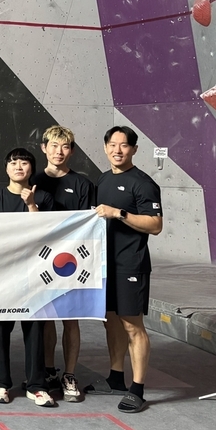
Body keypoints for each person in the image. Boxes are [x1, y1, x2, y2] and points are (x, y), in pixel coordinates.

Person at [87, 126, 162, 414]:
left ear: (134, 149)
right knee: (111, 321)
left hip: (131, 264)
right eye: (112, 145)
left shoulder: (143, 184)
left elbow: (155, 225)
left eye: (124, 145)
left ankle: (137, 389)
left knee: (132, 325)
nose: (117, 150)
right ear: (105, 147)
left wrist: (119, 213)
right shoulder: (104, 179)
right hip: (105, 264)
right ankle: (116, 378)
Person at [0, 147, 56, 408]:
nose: (19, 167)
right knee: (0, 331)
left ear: (31, 169)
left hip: (34, 276)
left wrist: (31, 205)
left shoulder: (44, 198)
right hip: (2, 277)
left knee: (35, 331)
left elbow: (48, 235)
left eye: (24, 163)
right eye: (13, 163)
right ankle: (0, 383)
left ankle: (36, 385)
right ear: (6, 168)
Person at [32, 126, 96, 402]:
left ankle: (69, 374)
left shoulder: (83, 185)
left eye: (65, 146)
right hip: (41, 261)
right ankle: (48, 371)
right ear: (44, 148)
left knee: (71, 319)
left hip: (72, 262)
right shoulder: (32, 181)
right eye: (54, 146)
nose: (59, 152)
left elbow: (90, 226)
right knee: (46, 320)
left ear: (71, 151)